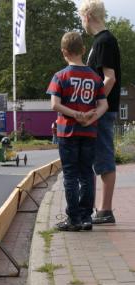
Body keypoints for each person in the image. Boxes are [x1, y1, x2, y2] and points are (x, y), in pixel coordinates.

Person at [47, 31, 108, 231]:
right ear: (83, 49)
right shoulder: (95, 77)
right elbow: (104, 105)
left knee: (70, 175)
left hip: (67, 132)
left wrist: (74, 114)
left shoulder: (60, 76)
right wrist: (90, 117)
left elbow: (54, 105)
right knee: (87, 174)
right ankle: (86, 217)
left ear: (64, 52)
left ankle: (73, 219)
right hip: (89, 132)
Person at [79, 0, 121, 225]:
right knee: (100, 157)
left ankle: (105, 210)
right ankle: (102, 208)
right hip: (101, 110)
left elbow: (110, 77)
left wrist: (95, 105)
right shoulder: (101, 41)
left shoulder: (104, 41)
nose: (81, 22)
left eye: (81, 17)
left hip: (102, 111)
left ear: (88, 15)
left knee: (104, 156)